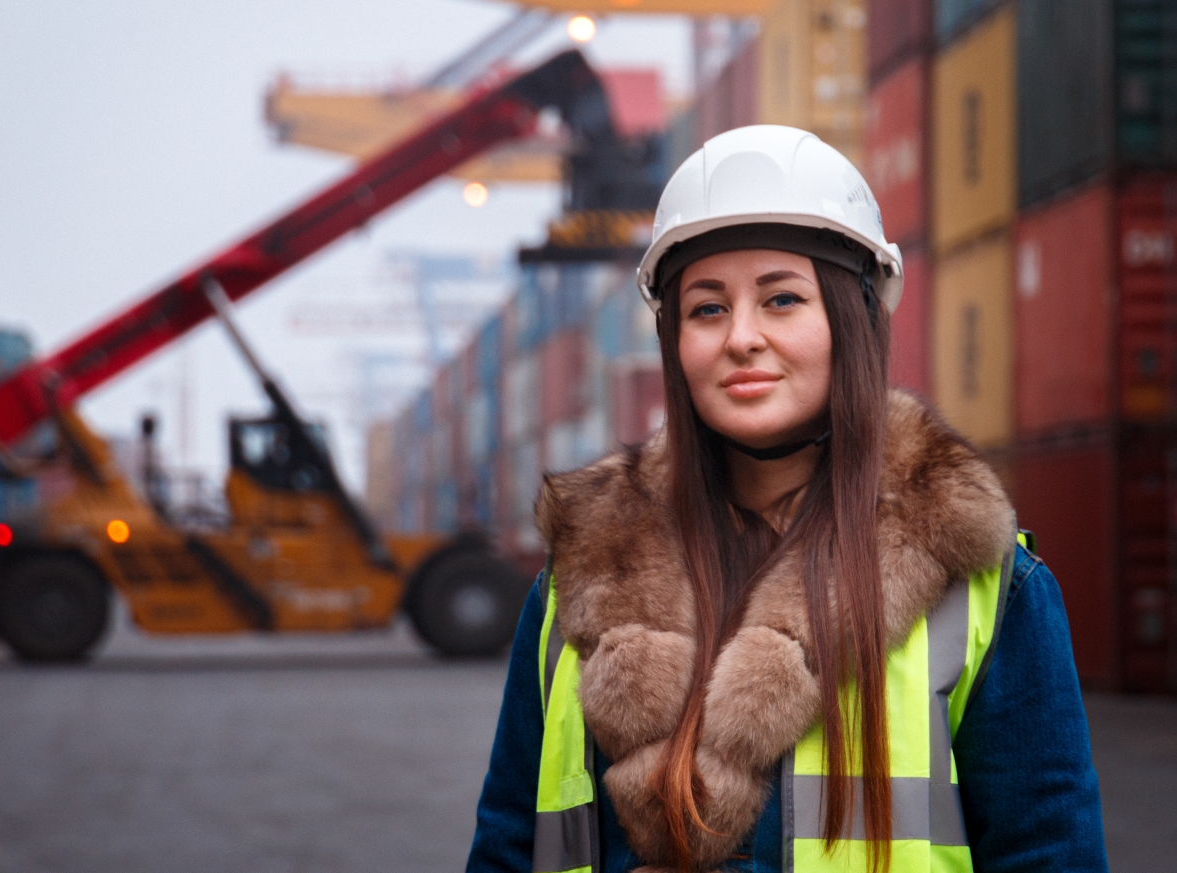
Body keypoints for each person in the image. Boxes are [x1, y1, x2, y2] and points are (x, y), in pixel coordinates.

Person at [467, 126, 1108, 873]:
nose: (742, 337)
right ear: (675, 341)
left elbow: (1050, 853)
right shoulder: (572, 585)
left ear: (856, 319)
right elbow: (508, 846)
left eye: (782, 298)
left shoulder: (989, 591)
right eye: (707, 309)